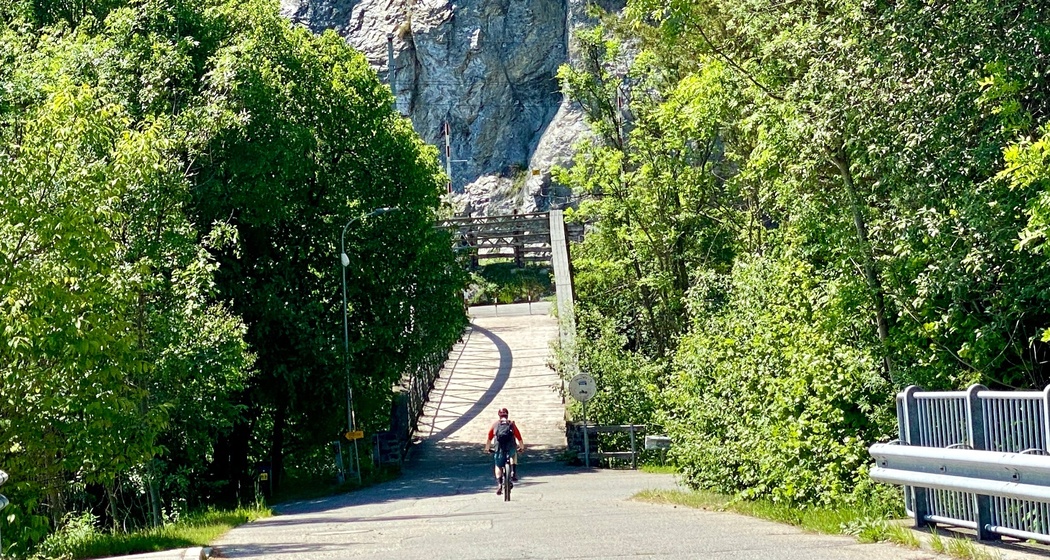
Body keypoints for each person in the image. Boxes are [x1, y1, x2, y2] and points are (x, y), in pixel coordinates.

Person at [485, 407, 524, 495]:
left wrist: (487, 449)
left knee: (498, 465)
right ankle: (513, 472)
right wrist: (521, 448)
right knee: (513, 454)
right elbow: (519, 438)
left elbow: (489, 439)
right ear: (507, 415)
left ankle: (499, 484)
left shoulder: (495, 424)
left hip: (499, 448)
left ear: (499, 415)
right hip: (511, 447)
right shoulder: (511, 424)